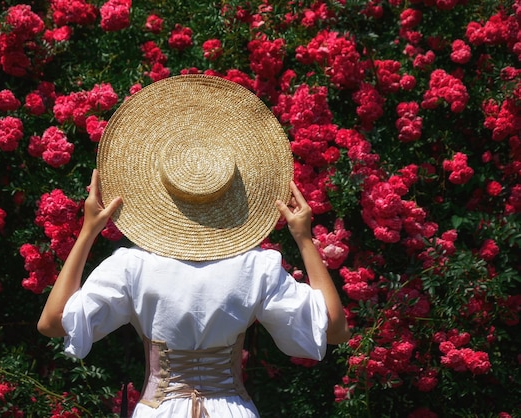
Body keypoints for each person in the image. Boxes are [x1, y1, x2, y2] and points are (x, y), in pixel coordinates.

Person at [37, 75, 350, 417]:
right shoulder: (256, 268)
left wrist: (87, 232)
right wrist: (304, 239)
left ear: (158, 194)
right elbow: (334, 330)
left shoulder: (131, 268)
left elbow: (52, 323)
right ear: (230, 193)